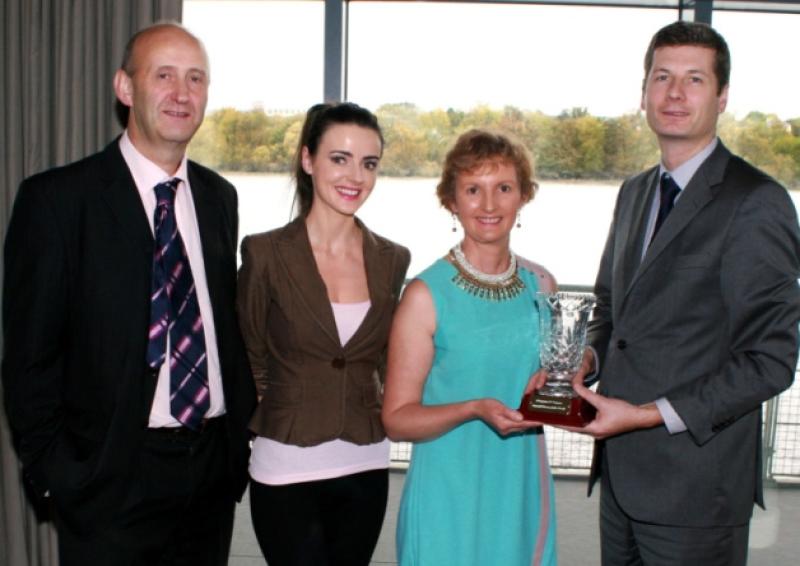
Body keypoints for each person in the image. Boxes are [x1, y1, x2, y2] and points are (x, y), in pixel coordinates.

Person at [1, 22, 257, 566]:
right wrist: (57, 472)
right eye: (163, 75)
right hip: (111, 480)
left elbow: (220, 325)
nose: (182, 93)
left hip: (210, 471)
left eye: (196, 78)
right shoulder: (58, 201)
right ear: (125, 88)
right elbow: (29, 358)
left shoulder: (219, 197)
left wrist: (236, 448)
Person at [567, 21, 800, 565]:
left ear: (721, 98)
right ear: (643, 92)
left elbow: (771, 360)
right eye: (662, 76)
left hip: (697, 488)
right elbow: (610, 309)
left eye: (694, 79)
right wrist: (584, 358)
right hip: (621, 479)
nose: (674, 93)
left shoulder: (757, 202)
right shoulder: (633, 192)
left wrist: (647, 414)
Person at [236, 102, 410, 566]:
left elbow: (384, 361)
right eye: (340, 158)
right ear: (308, 159)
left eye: (368, 163)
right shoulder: (265, 253)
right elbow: (250, 353)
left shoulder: (393, 259)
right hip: (285, 464)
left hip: (366, 461)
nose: (356, 175)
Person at [382, 129, 558, 565]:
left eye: (503, 188)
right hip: (448, 490)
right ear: (451, 200)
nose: (489, 204)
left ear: (523, 196)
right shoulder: (425, 295)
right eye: (473, 189)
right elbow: (397, 420)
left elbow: (554, 379)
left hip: (519, 485)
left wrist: (565, 376)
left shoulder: (542, 286)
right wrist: (473, 408)